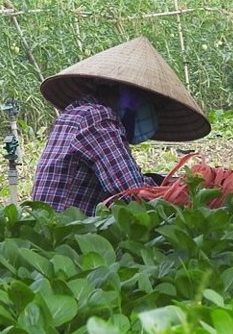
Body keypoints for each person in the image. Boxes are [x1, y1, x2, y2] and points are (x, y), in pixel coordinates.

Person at [31, 36, 211, 214]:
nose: (152, 112)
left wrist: (166, 183)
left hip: (53, 227)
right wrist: (193, 192)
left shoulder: (76, 113)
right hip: (67, 233)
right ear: (130, 97)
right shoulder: (96, 118)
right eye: (151, 104)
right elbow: (133, 194)